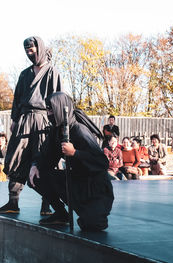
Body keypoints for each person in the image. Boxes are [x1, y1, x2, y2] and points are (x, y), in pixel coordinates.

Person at [0, 36, 63, 215]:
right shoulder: (24, 74)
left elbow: (57, 99)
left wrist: (56, 123)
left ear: (40, 48)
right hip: (24, 120)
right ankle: (13, 202)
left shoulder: (52, 72)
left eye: (32, 50)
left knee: (43, 160)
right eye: (27, 51)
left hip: (43, 120)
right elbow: (17, 99)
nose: (29, 53)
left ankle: (47, 205)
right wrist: (15, 120)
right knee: (17, 158)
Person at [29, 92, 114, 231]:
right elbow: (45, 155)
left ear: (60, 108)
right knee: (37, 176)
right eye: (48, 110)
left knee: (93, 225)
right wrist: (35, 165)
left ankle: (91, 212)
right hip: (75, 181)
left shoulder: (79, 130)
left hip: (94, 187)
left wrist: (75, 153)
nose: (49, 113)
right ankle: (62, 214)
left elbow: (102, 163)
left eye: (51, 110)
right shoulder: (56, 131)